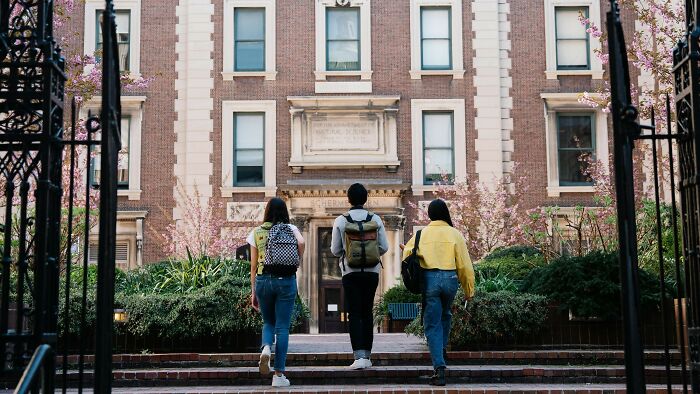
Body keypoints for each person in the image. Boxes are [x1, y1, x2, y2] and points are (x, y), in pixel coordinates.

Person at [401, 199, 475, 386]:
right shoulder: (455, 234)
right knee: (446, 314)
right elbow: (465, 265)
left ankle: (439, 369)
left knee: (432, 323)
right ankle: (441, 350)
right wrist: (469, 290)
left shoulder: (421, 234)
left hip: (430, 280)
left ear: (430, 215)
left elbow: (407, 255)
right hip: (450, 280)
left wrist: (406, 251)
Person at [331, 183, 389, 369]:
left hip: (350, 273)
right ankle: (368, 356)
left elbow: (335, 250)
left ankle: (359, 357)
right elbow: (384, 247)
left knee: (354, 313)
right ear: (365, 199)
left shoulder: (341, 220)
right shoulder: (376, 219)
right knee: (367, 311)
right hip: (372, 272)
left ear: (349, 199)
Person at [248, 198, 305, 388]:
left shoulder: (256, 232)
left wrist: (253, 291)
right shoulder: (291, 229)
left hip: (264, 280)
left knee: (268, 321)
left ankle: (265, 348)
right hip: (286, 280)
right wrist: (297, 260)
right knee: (282, 328)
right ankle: (279, 374)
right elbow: (302, 242)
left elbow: (254, 266)